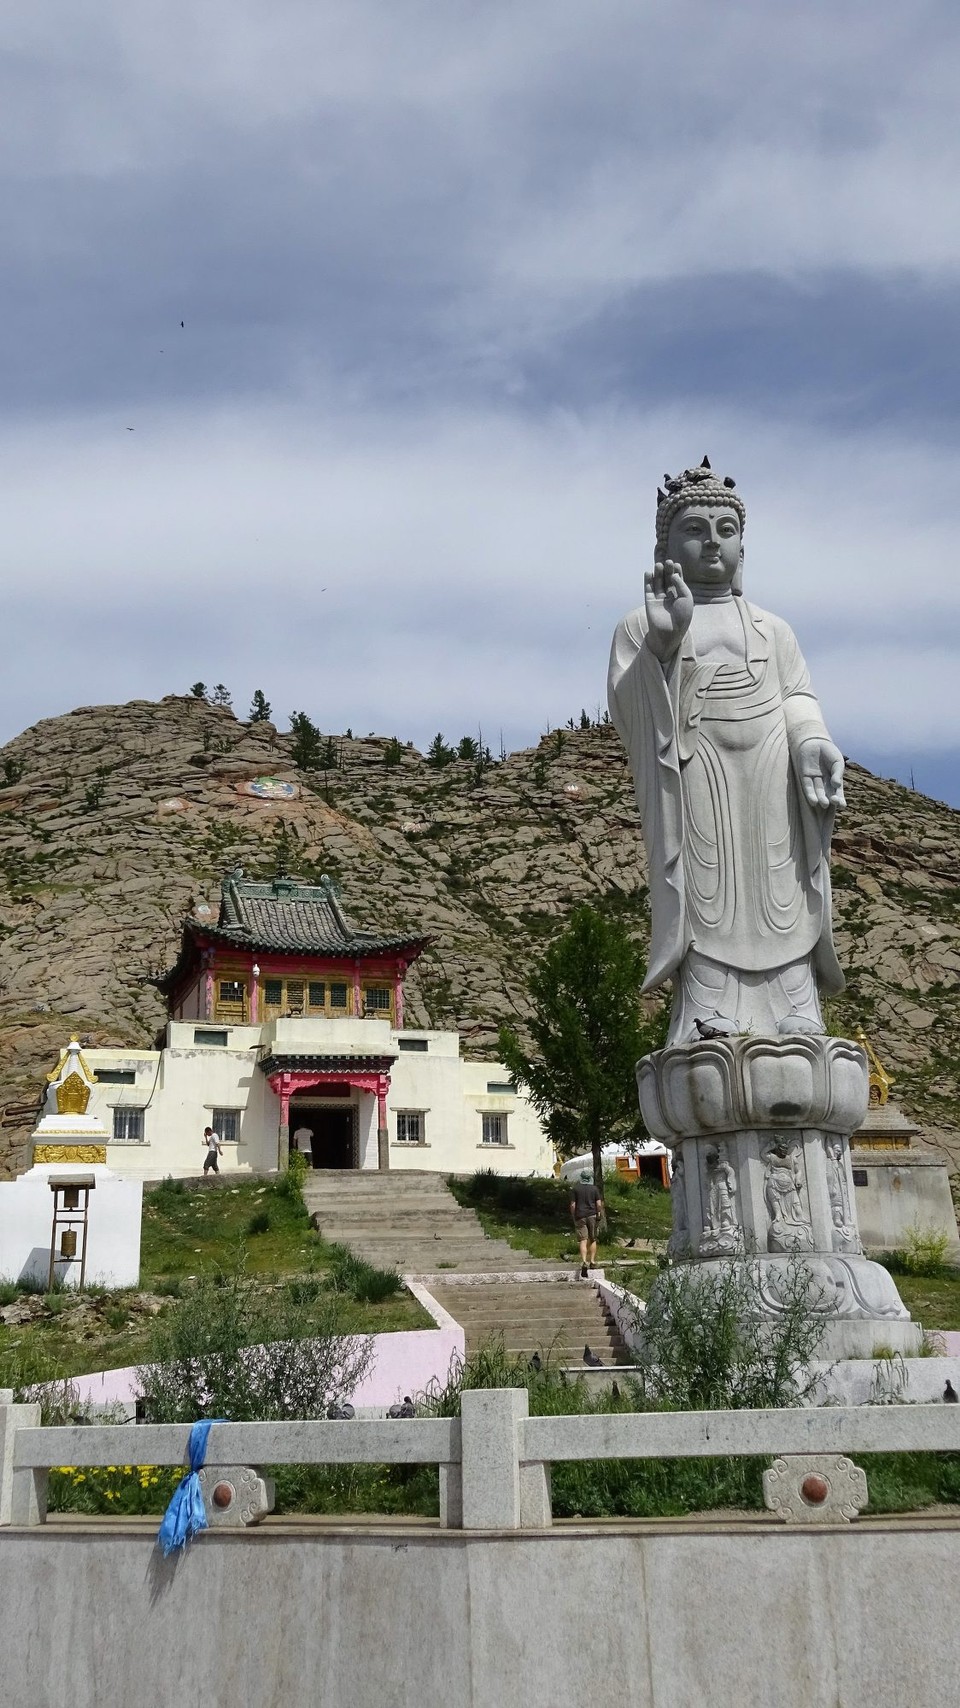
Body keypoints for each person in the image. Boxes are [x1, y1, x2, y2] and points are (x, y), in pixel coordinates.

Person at [608, 459, 846, 1045]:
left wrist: (813, 739)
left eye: (726, 528)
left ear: (743, 543)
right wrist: (665, 644)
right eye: (695, 528)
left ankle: (795, 1003)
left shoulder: (774, 629)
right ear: (666, 544)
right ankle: (707, 1006)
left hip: (771, 775)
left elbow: (797, 696)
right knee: (707, 882)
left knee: (781, 881)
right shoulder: (644, 624)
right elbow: (628, 708)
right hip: (696, 772)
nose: (713, 541)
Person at [570, 1170, 604, 1278]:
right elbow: (598, 1204)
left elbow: (573, 1205)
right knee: (593, 1238)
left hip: (580, 1215)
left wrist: (573, 1216)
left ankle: (584, 1261)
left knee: (583, 1240)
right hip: (592, 1215)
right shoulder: (594, 1189)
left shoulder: (575, 1189)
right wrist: (598, 1212)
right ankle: (592, 1261)